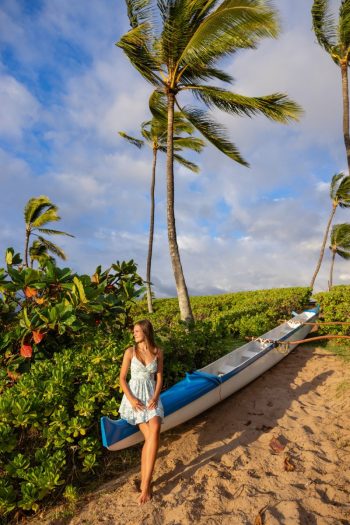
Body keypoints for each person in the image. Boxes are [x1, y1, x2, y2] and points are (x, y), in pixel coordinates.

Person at [119, 319, 164, 504]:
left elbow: (159, 377)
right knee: (152, 437)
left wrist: (155, 396)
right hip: (135, 398)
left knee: (154, 430)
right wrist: (131, 400)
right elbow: (122, 379)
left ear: (145, 332)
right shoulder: (130, 352)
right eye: (134, 331)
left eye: (137, 331)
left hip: (151, 397)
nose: (134, 334)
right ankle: (146, 484)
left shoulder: (158, 352)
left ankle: (145, 485)